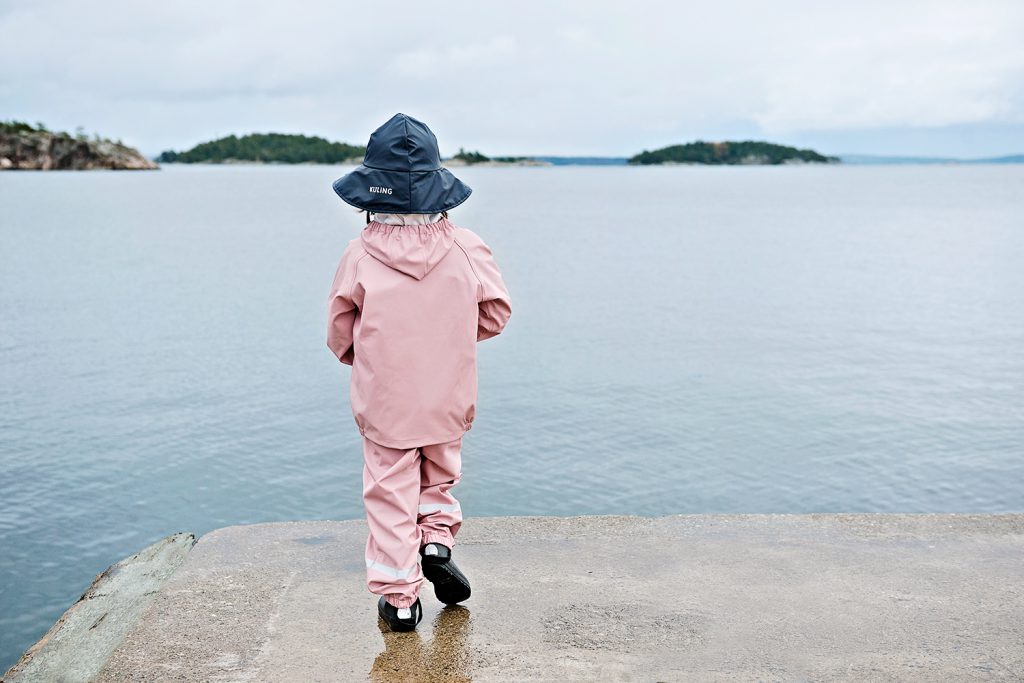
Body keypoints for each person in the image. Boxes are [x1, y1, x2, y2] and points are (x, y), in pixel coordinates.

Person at [326, 113, 512, 632]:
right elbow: (496, 314)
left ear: (371, 194)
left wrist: (363, 361)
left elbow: (340, 331)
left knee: (389, 492)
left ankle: (401, 599)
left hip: (386, 400)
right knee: (439, 474)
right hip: (448, 395)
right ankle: (435, 540)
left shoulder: (360, 253)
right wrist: (449, 339)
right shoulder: (466, 246)